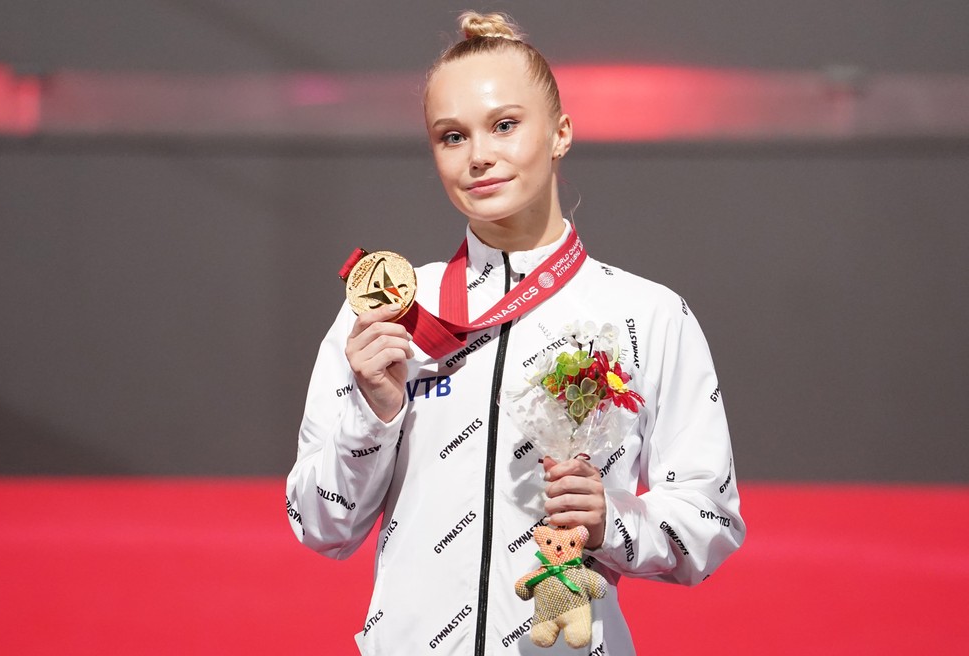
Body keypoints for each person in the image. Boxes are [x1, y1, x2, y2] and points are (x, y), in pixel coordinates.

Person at [286, 11, 745, 655]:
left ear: (560, 133)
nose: (479, 156)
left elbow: (710, 522)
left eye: (504, 125)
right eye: (451, 136)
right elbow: (320, 526)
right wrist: (373, 415)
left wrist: (613, 522)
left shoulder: (649, 315)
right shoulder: (387, 318)